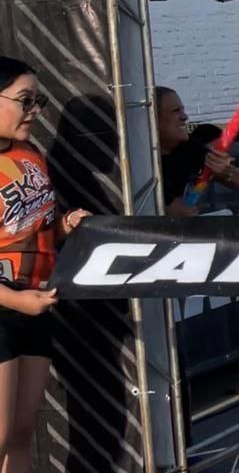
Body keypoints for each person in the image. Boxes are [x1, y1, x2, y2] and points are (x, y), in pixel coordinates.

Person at [0, 58, 91, 473]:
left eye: (39, 101)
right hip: (8, 304)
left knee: (20, 434)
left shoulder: (30, 154)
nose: (34, 110)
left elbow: (36, 231)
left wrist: (66, 226)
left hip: (33, 304)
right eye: (25, 100)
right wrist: (16, 301)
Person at [155, 86, 239, 216]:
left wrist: (226, 171)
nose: (185, 117)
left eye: (183, 110)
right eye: (175, 110)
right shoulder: (132, 158)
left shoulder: (186, 147)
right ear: (153, 119)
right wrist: (164, 211)